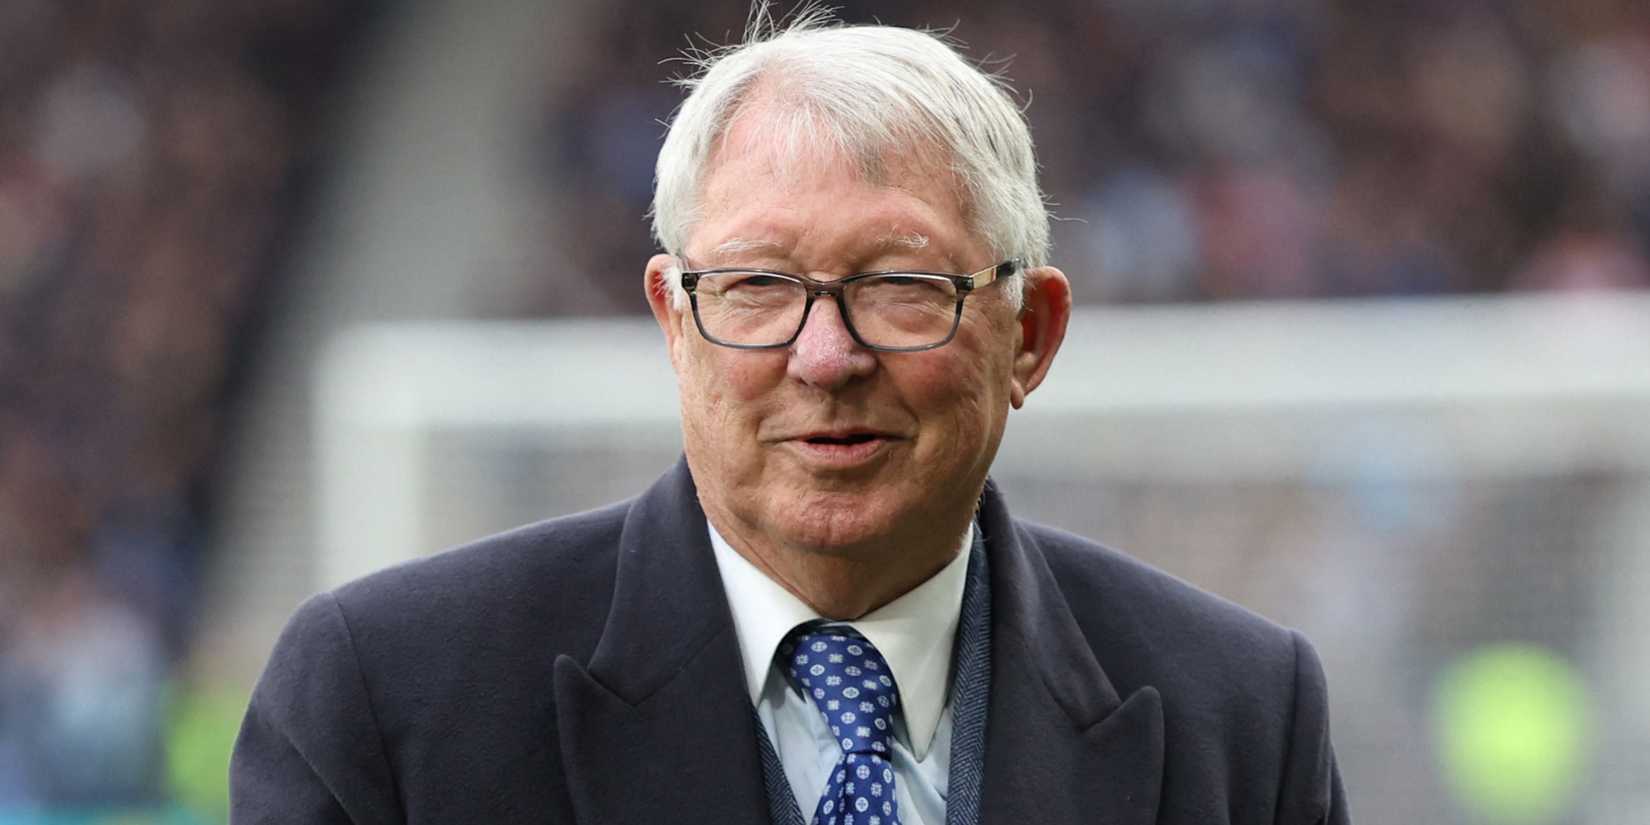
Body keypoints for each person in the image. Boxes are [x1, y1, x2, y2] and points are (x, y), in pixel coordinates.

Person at [231, 10, 1350, 825]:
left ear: (1030, 335)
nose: (825, 356)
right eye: (758, 286)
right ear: (675, 322)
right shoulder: (387, 704)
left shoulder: (1241, 720)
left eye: (902, 287)